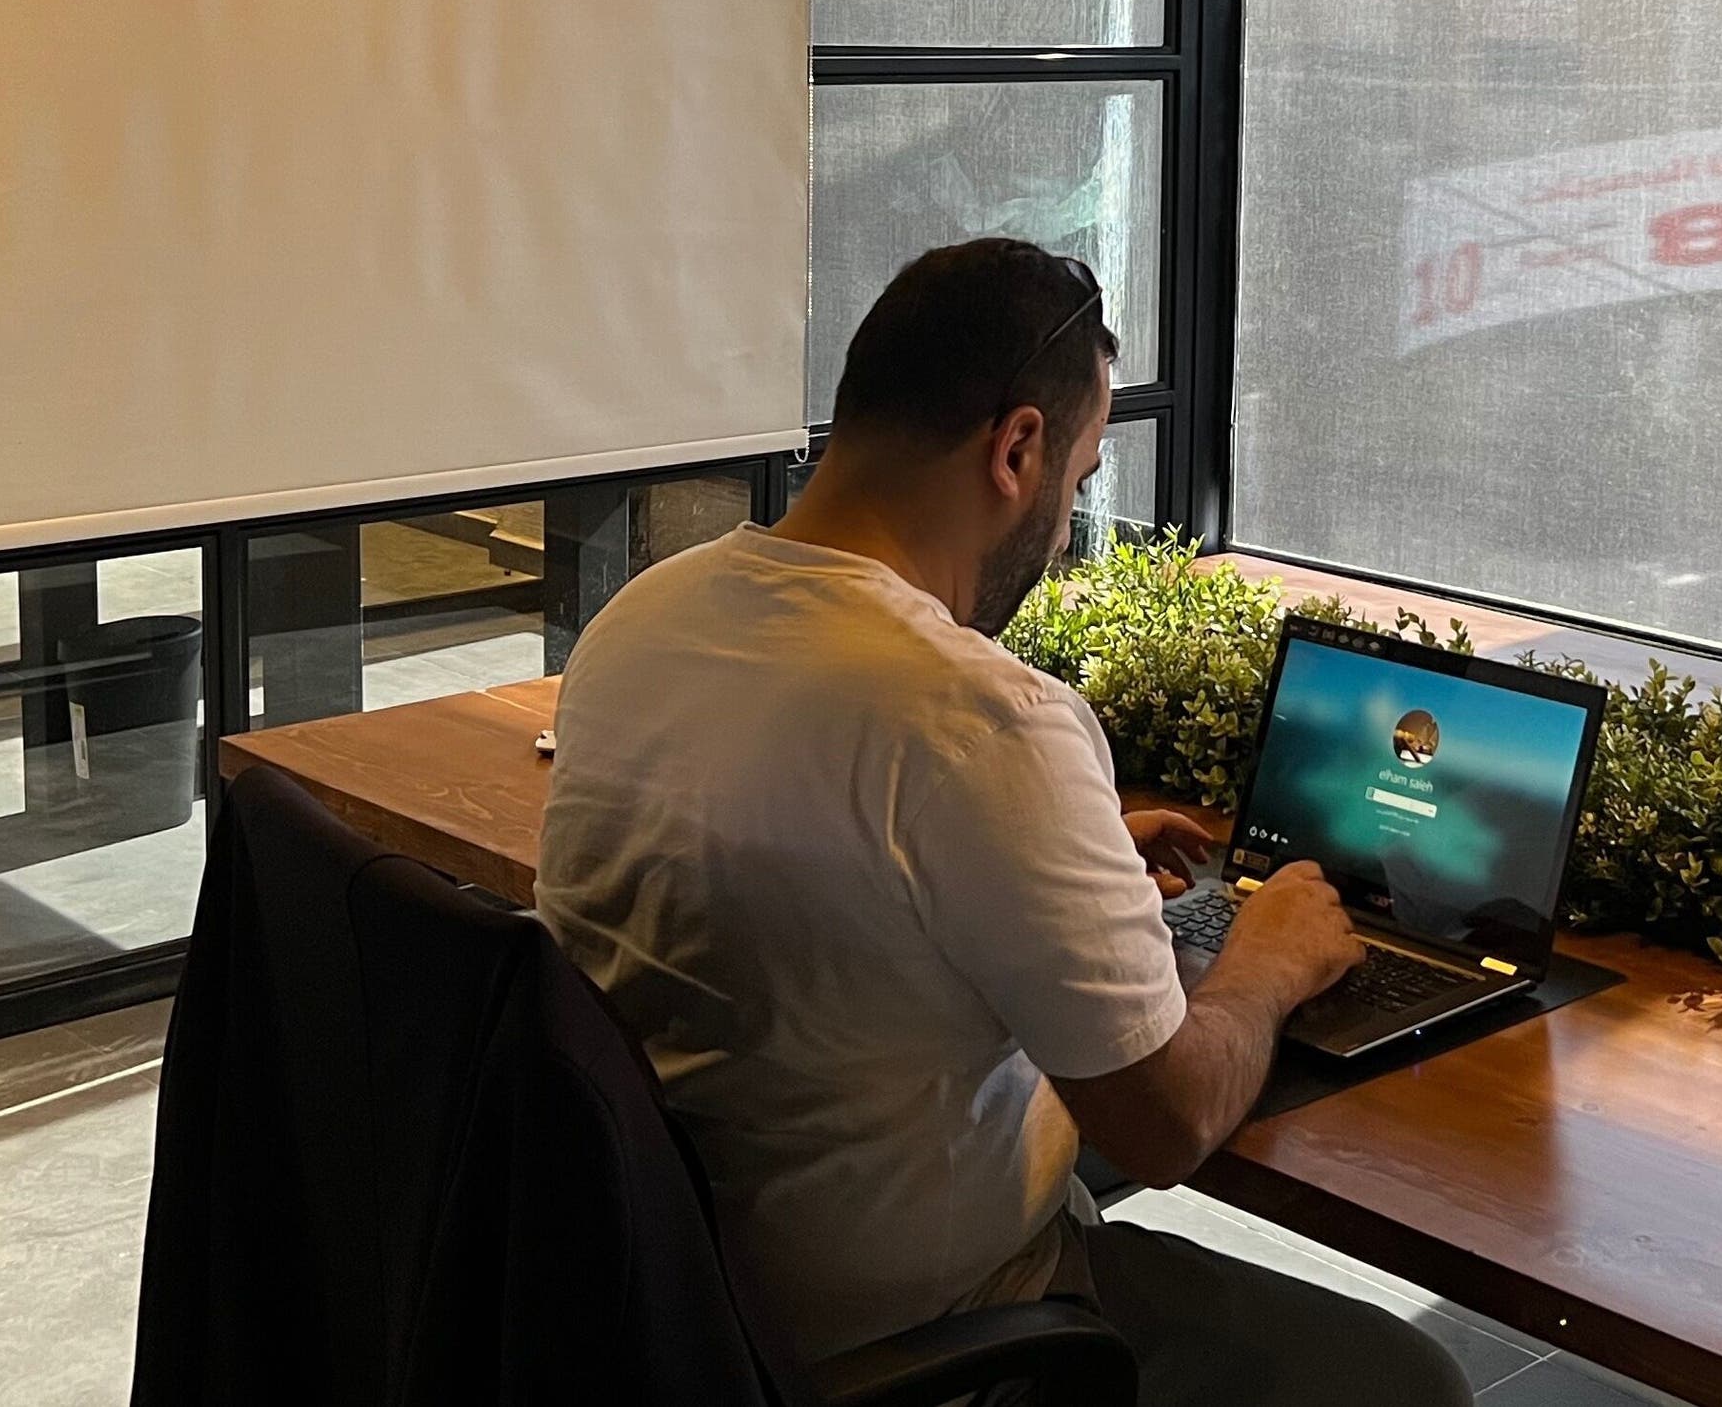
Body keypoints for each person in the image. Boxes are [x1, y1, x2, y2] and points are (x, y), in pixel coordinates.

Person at [534, 238, 1474, 1407]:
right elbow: (1171, 1119)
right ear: (1016, 447)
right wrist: (1267, 961)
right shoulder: (977, 718)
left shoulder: (640, 619)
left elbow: (807, 865)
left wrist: (1049, 864)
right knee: (1408, 1380)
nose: (1071, 529)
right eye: (1078, 482)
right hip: (899, 1340)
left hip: (666, 1291)